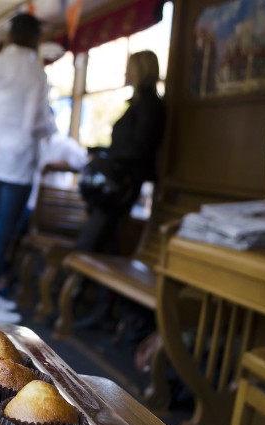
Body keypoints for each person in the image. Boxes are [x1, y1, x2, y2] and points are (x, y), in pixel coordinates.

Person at [75, 50, 166, 332]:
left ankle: (91, 304)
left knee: (93, 244)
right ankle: (102, 310)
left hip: (123, 190)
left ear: (141, 70)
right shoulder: (139, 103)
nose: (126, 74)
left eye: (130, 68)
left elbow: (140, 149)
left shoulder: (150, 105)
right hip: (119, 188)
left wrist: (108, 157)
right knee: (106, 245)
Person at [0, 13, 55, 323]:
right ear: (34, 37)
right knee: (2, 232)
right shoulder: (34, 69)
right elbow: (36, 119)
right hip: (19, 161)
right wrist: (49, 128)